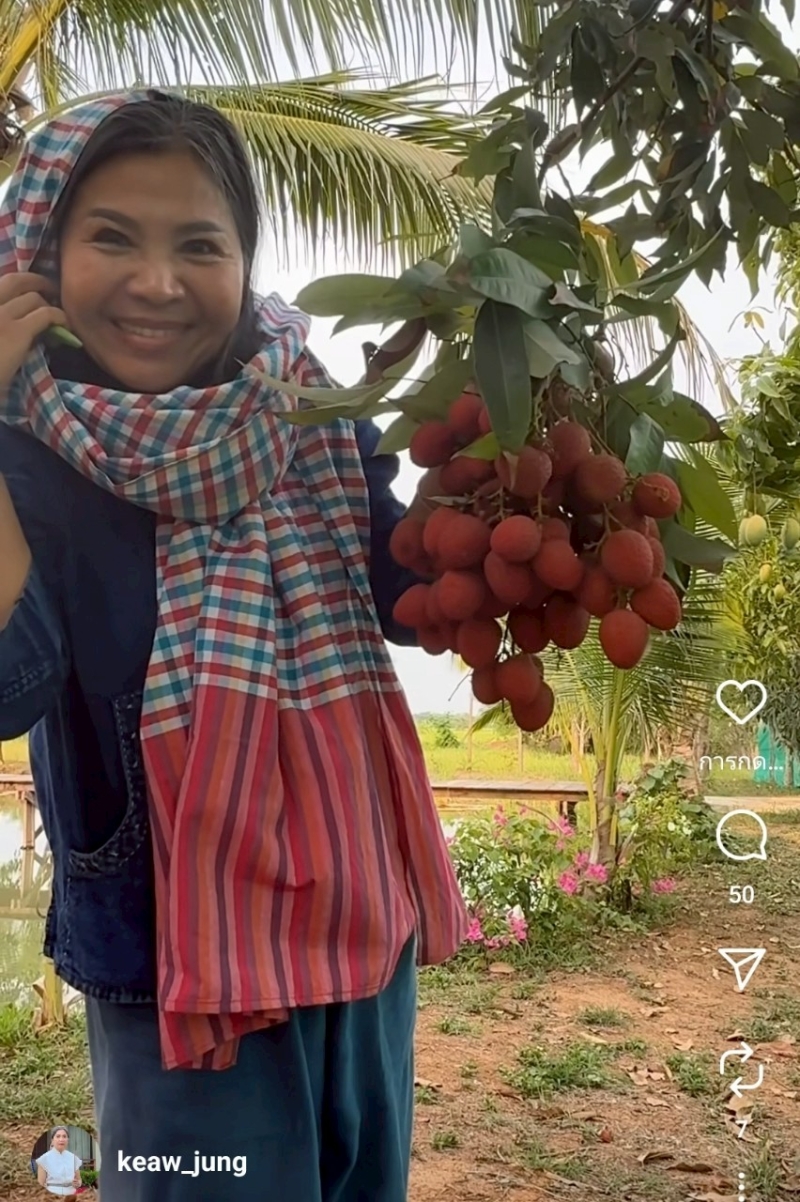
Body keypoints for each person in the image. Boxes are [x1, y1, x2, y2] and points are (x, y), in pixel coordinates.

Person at [0, 90, 467, 1202]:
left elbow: (407, 591)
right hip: (176, 965)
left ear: (244, 263)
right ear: (39, 256)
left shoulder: (310, 411)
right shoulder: (31, 459)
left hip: (357, 919)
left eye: (200, 246)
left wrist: (512, 469)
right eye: (112, 237)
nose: (158, 281)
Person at [36, 1127, 82, 1198]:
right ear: (52, 1140)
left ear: (68, 1140)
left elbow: (79, 1179)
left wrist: (78, 1183)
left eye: (64, 1136)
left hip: (70, 1195)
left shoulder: (73, 1158)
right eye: (58, 1136)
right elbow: (40, 1184)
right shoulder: (44, 1159)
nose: (61, 1139)